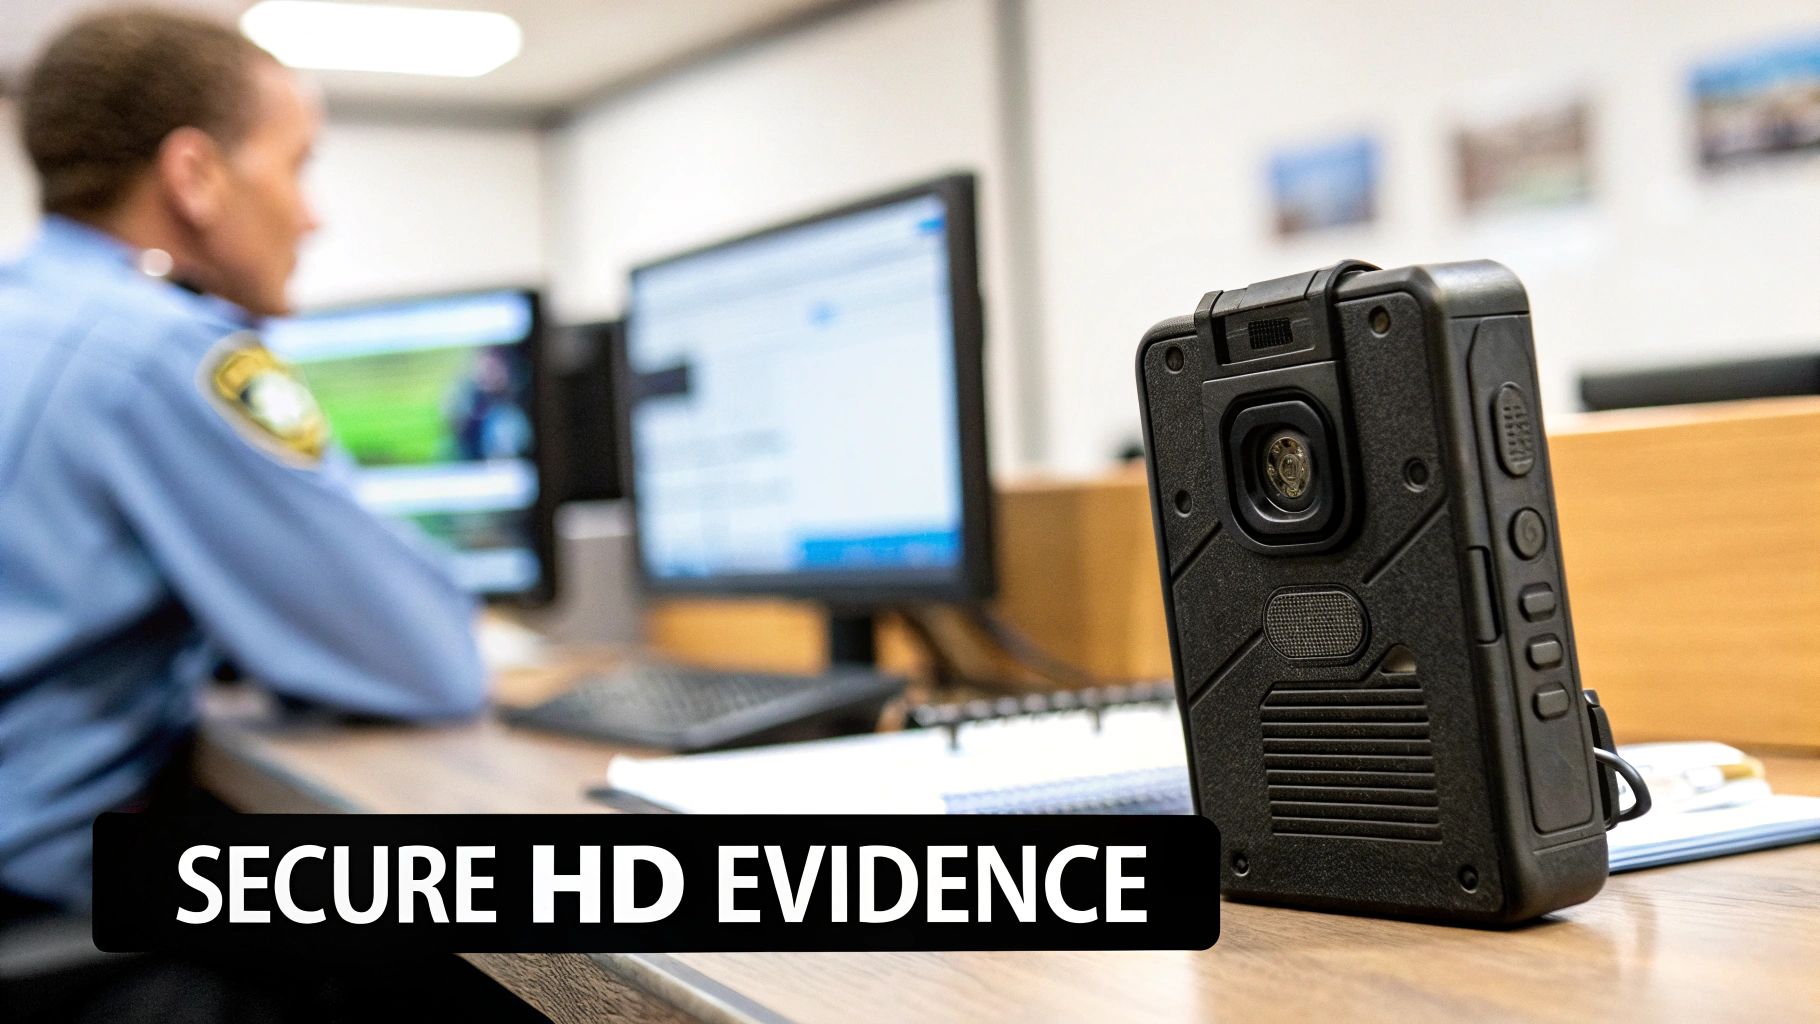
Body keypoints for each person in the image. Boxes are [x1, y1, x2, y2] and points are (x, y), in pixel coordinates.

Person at [0, 8, 489, 918]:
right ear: (195, 176)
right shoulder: (162, 353)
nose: (312, 214)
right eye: (297, 165)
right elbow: (427, 664)